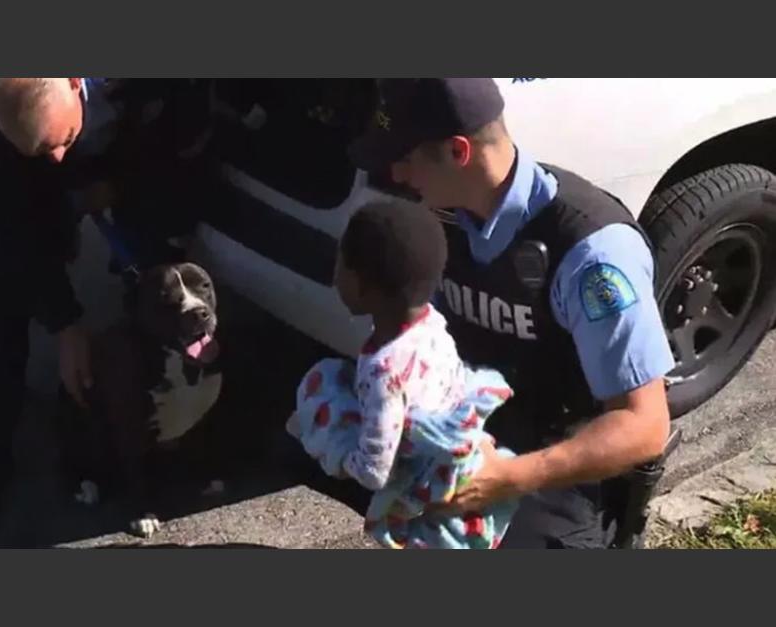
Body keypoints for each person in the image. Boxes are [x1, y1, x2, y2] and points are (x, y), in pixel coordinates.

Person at [347, 78, 674, 549]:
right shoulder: (442, 215)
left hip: (564, 472)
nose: (396, 174)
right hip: (471, 434)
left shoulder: (592, 255)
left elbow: (644, 426)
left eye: (406, 157)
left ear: (459, 152)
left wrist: (511, 476)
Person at [0, 77, 154, 528]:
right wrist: (65, 323)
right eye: (42, 149)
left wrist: (118, 178)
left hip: (140, 124)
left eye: (60, 142)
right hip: (47, 148)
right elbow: (8, 234)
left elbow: (176, 110)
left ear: (73, 80)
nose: (58, 157)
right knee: (7, 285)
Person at [287, 200, 518, 549]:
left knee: (322, 386)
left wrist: (335, 450)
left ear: (363, 286)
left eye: (340, 266)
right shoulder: (432, 322)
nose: (335, 276)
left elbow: (374, 471)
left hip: (425, 495)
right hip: (459, 462)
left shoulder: (385, 372)